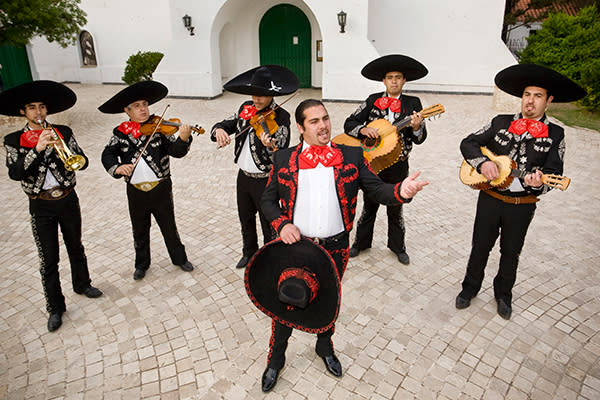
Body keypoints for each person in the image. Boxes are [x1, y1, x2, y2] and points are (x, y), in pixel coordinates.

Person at [258, 99, 429, 392]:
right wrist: (282, 225)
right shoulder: (283, 159)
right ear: (300, 127)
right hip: (296, 246)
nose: (323, 126)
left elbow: (377, 189)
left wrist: (402, 190)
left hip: (335, 247)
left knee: (329, 301)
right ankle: (276, 357)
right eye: (314, 121)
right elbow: (267, 200)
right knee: (285, 301)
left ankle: (324, 348)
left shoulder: (352, 155)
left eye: (325, 118)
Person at [455, 64, 586, 320]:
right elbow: (468, 142)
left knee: (511, 251)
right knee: (479, 246)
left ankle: (503, 294)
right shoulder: (500, 122)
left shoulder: (555, 134)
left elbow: (553, 171)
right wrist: (483, 163)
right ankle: (469, 288)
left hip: (522, 203)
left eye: (538, 96)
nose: (530, 101)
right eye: (527, 94)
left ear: (548, 101)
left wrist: (540, 184)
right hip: (490, 198)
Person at [1, 80, 102, 332]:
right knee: (49, 259)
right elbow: (15, 173)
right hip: (41, 204)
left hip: (68, 198)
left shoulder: (64, 132)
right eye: (32, 108)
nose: (38, 112)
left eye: (42, 107)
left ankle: (82, 284)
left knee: (76, 246)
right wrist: (36, 149)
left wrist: (62, 152)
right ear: (23, 112)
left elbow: (83, 161)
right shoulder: (14, 140)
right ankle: (55, 307)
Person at [99, 80, 194, 280]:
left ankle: (179, 258)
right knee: (139, 229)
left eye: (144, 104)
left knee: (169, 226)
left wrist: (184, 138)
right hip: (135, 190)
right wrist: (116, 168)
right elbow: (107, 154)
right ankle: (142, 264)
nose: (143, 109)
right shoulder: (121, 132)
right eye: (137, 106)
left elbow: (176, 152)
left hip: (160, 188)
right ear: (127, 111)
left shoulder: (160, 128)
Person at [211, 65, 298, 269]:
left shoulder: (282, 116)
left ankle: (270, 257)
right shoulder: (245, 109)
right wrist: (220, 131)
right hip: (243, 177)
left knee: (269, 222)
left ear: (271, 94)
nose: (256, 99)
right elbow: (226, 123)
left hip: (265, 180)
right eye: (254, 94)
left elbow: (281, 149)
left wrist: (270, 145)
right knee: (246, 218)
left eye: (262, 95)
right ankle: (248, 252)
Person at [345, 54, 429, 265]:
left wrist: (417, 127)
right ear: (384, 81)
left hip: (398, 164)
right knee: (369, 206)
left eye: (398, 77)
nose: (394, 81)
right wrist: (363, 128)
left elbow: (419, 139)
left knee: (396, 207)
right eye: (390, 77)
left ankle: (398, 246)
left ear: (404, 81)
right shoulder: (372, 100)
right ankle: (360, 243)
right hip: (373, 163)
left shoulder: (413, 103)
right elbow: (350, 122)